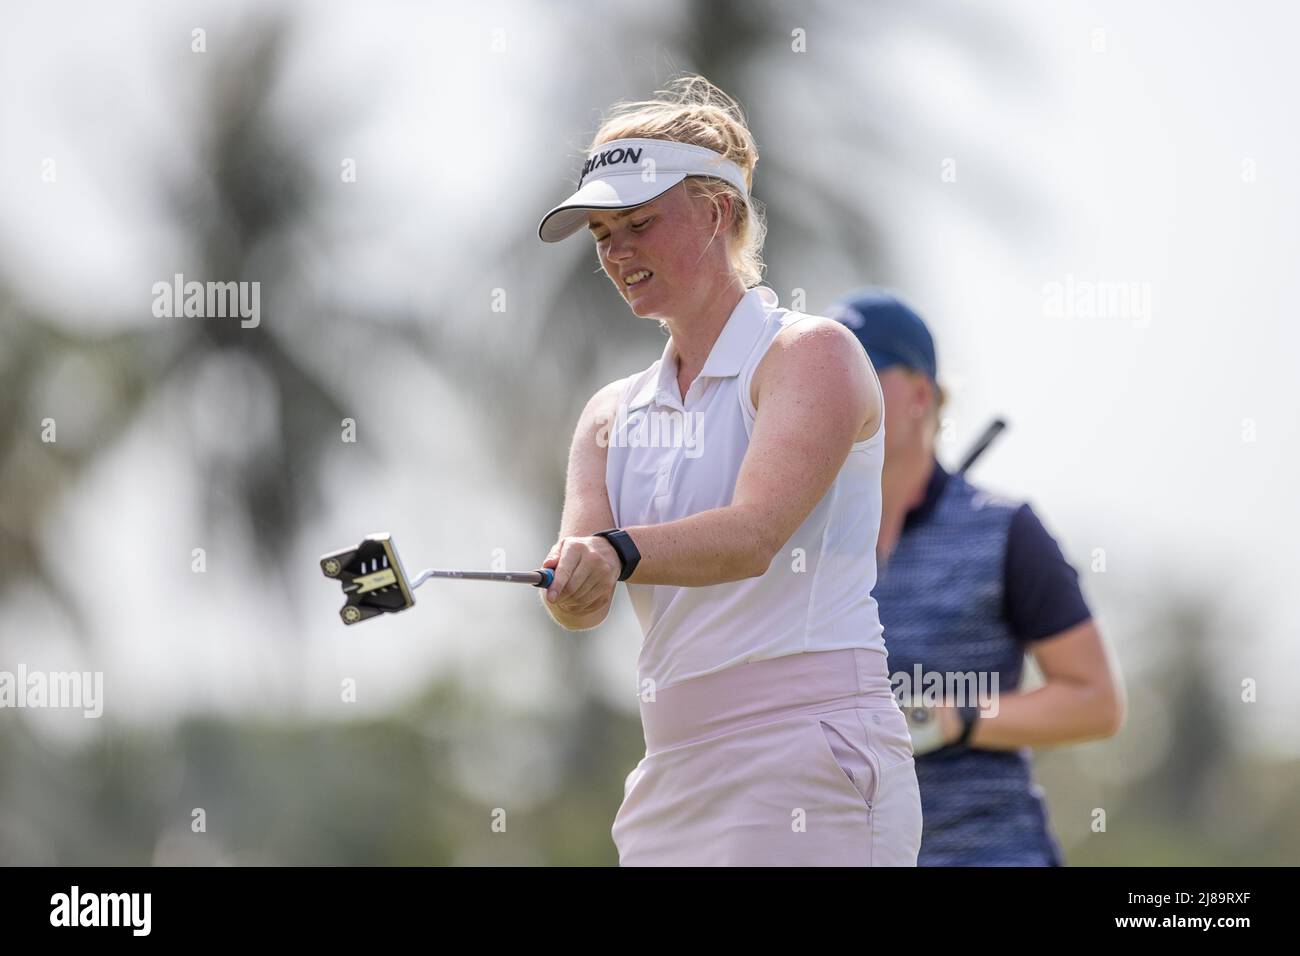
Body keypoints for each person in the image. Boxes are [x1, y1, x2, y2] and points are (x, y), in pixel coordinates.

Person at [534, 77, 922, 866]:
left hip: (811, 753)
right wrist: (573, 582)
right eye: (603, 233)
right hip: (671, 771)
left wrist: (613, 552)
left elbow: (751, 538)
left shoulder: (810, 356)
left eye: (639, 223)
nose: (616, 252)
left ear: (715, 213)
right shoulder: (610, 414)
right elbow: (580, 595)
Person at [829, 288, 1126, 865]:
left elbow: (1096, 701)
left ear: (919, 395)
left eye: (860, 372)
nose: (836, 394)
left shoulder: (1006, 531)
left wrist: (952, 719)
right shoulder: (807, 540)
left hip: (992, 850)